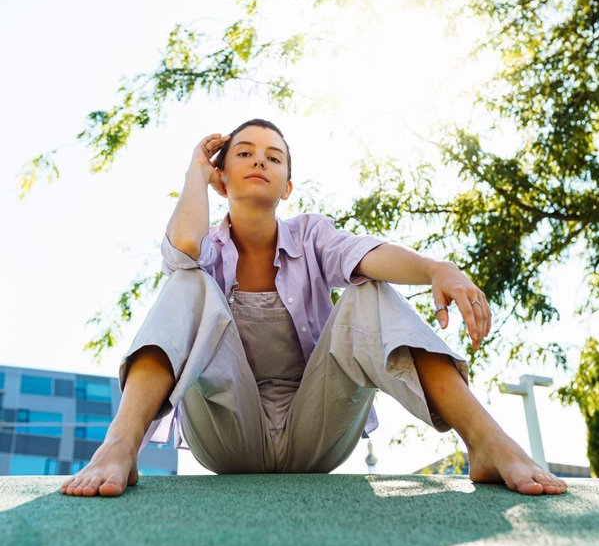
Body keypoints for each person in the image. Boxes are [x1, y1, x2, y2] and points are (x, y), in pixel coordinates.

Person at [61, 118, 568, 497]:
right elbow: (184, 247)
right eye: (244, 153)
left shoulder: (311, 236)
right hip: (229, 437)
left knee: (368, 290)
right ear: (222, 177)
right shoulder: (207, 246)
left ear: (287, 186)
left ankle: (486, 441)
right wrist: (195, 173)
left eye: (273, 157)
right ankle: (120, 445)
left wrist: (437, 269)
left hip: (316, 433)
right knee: (186, 282)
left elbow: (367, 254)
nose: (259, 161)